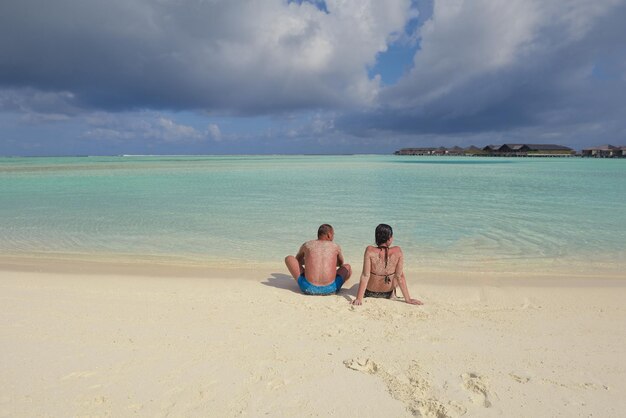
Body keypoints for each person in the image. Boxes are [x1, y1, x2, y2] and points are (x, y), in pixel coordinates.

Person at [352, 224, 422, 306]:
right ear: (389, 238)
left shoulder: (369, 250)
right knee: (399, 274)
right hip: (387, 294)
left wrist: (359, 299)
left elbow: (365, 276)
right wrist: (408, 299)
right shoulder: (397, 251)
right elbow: (400, 277)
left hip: (370, 293)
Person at [285, 224, 352, 295]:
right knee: (347, 267)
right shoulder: (335, 247)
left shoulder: (307, 245)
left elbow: (297, 260)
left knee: (289, 258)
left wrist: (309, 262)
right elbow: (341, 264)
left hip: (308, 288)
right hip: (331, 289)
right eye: (333, 234)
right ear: (329, 235)